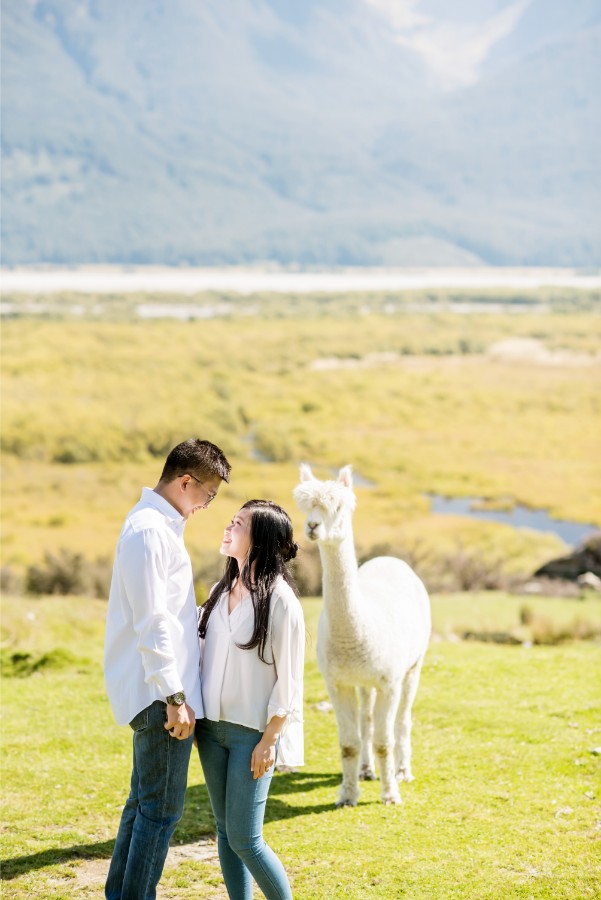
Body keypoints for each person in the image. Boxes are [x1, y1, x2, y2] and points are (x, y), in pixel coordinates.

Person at [104, 438, 231, 900]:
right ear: (185, 482)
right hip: (160, 693)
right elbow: (152, 622)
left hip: (161, 688)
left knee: (143, 804)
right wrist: (175, 697)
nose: (206, 505)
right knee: (161, 811)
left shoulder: (158, 527)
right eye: (208, 496)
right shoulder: (149, 532)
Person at [197, 500, 305, 900]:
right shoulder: (218, 590)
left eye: (238, 524)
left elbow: (289, 679)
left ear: (259, 539)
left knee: (247, 838)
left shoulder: (281, 601)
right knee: (225, 832)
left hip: (253, 737)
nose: (228, 527)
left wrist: (269, 740)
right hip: (211, 731)